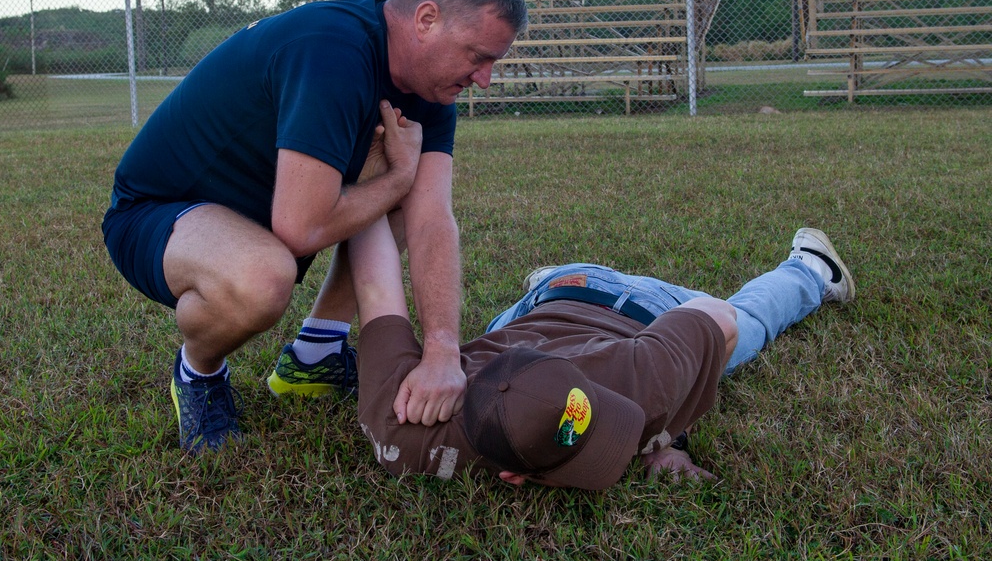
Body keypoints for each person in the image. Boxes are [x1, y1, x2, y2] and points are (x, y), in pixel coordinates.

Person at [101, 0, 528, 454]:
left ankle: (315, 354)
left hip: (253, 217)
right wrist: (395, 178)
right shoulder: (333, 50)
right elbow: (299, 230)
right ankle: (199, 374)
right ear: (427, 19)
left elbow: (432, 219)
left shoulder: (431, 88)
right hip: (158, 212)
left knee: (395, 180)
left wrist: (442, 350)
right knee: (265, 274)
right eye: (478, 57)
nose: (484, 78)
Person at [351, 221, 855, 489]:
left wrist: (666, 430)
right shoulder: (402, 430)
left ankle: (812, 268)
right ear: (513, 477)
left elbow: (715, 316)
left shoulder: (635, 379)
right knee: (497, 333)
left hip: (651, 308)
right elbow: (375, 287)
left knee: (746, 328)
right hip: (560, 292)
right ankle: (551, 279)